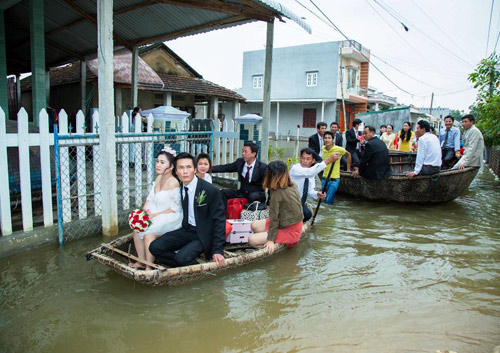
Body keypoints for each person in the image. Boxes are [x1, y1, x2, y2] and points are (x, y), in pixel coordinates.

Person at [149, 153, 226, 267]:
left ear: (195, 169)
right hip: (187, 230)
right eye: (181, 168)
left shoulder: (210, 190)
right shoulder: (181, 187)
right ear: (176, 171)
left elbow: (219, 220)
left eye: (188, 167)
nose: (185, 171)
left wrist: (217, 250)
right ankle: (185, 264)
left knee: (182, 257)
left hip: (204, 234)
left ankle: (188, 264)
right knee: (154, 247)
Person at [131, 148, 183, 270]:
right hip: (155, 213)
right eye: (157, 161)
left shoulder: (174, 183)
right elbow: (150, 198)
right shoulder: (159, 178)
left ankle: (149, 267)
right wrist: (142, 213)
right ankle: (141, 261)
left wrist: (155, 215)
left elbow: (175, 208)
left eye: (162, 162)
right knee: (136, 230)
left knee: (149, 233)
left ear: (170, 167)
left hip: (171, 216)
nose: (158, 165)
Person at [248, 161, 303, 254]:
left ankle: (274, 246)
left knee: (252, 240)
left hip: (291, 230)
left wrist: (271, 240)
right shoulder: (292, 184)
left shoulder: (277, 192)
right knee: (254, 225)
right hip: (286, 222)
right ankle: (270, 239)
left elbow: (274, 217)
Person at [289, 148, 340, 222]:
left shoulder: (311, 174)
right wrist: (329, 160)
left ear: (313, 161)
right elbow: (310, 172)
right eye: (303, 158)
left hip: (299, 203)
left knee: (307, 215)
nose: (305, 161)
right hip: (290, 201)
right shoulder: (296, 168)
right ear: (300, 158)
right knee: (303, 215)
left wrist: (317, 194)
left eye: (308, 159)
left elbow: (309, 191)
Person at [211, 141, 267, 206]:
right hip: (242, 192)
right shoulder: (240, 162)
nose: (243, 154)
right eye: (242, 151)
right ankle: (223, 215)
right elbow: (225, 167)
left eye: (246, 152)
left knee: (252, 196)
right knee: (224, 192)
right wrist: (208, 169)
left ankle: (247, 214)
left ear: (253, 154)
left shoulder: (262, 167)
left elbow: (271, 184)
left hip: (256, 194)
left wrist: (269, 203)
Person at [321, 131, 352, 205]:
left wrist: (348, 169)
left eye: (329, 138)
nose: (327, 140)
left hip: (334, 179)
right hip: (324, 178)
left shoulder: (338, 149)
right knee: (324, 198)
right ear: (323, 139)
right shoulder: (323, 148)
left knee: (328, 199)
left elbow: (348, 155)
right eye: (325, 138)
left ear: (333, 140)